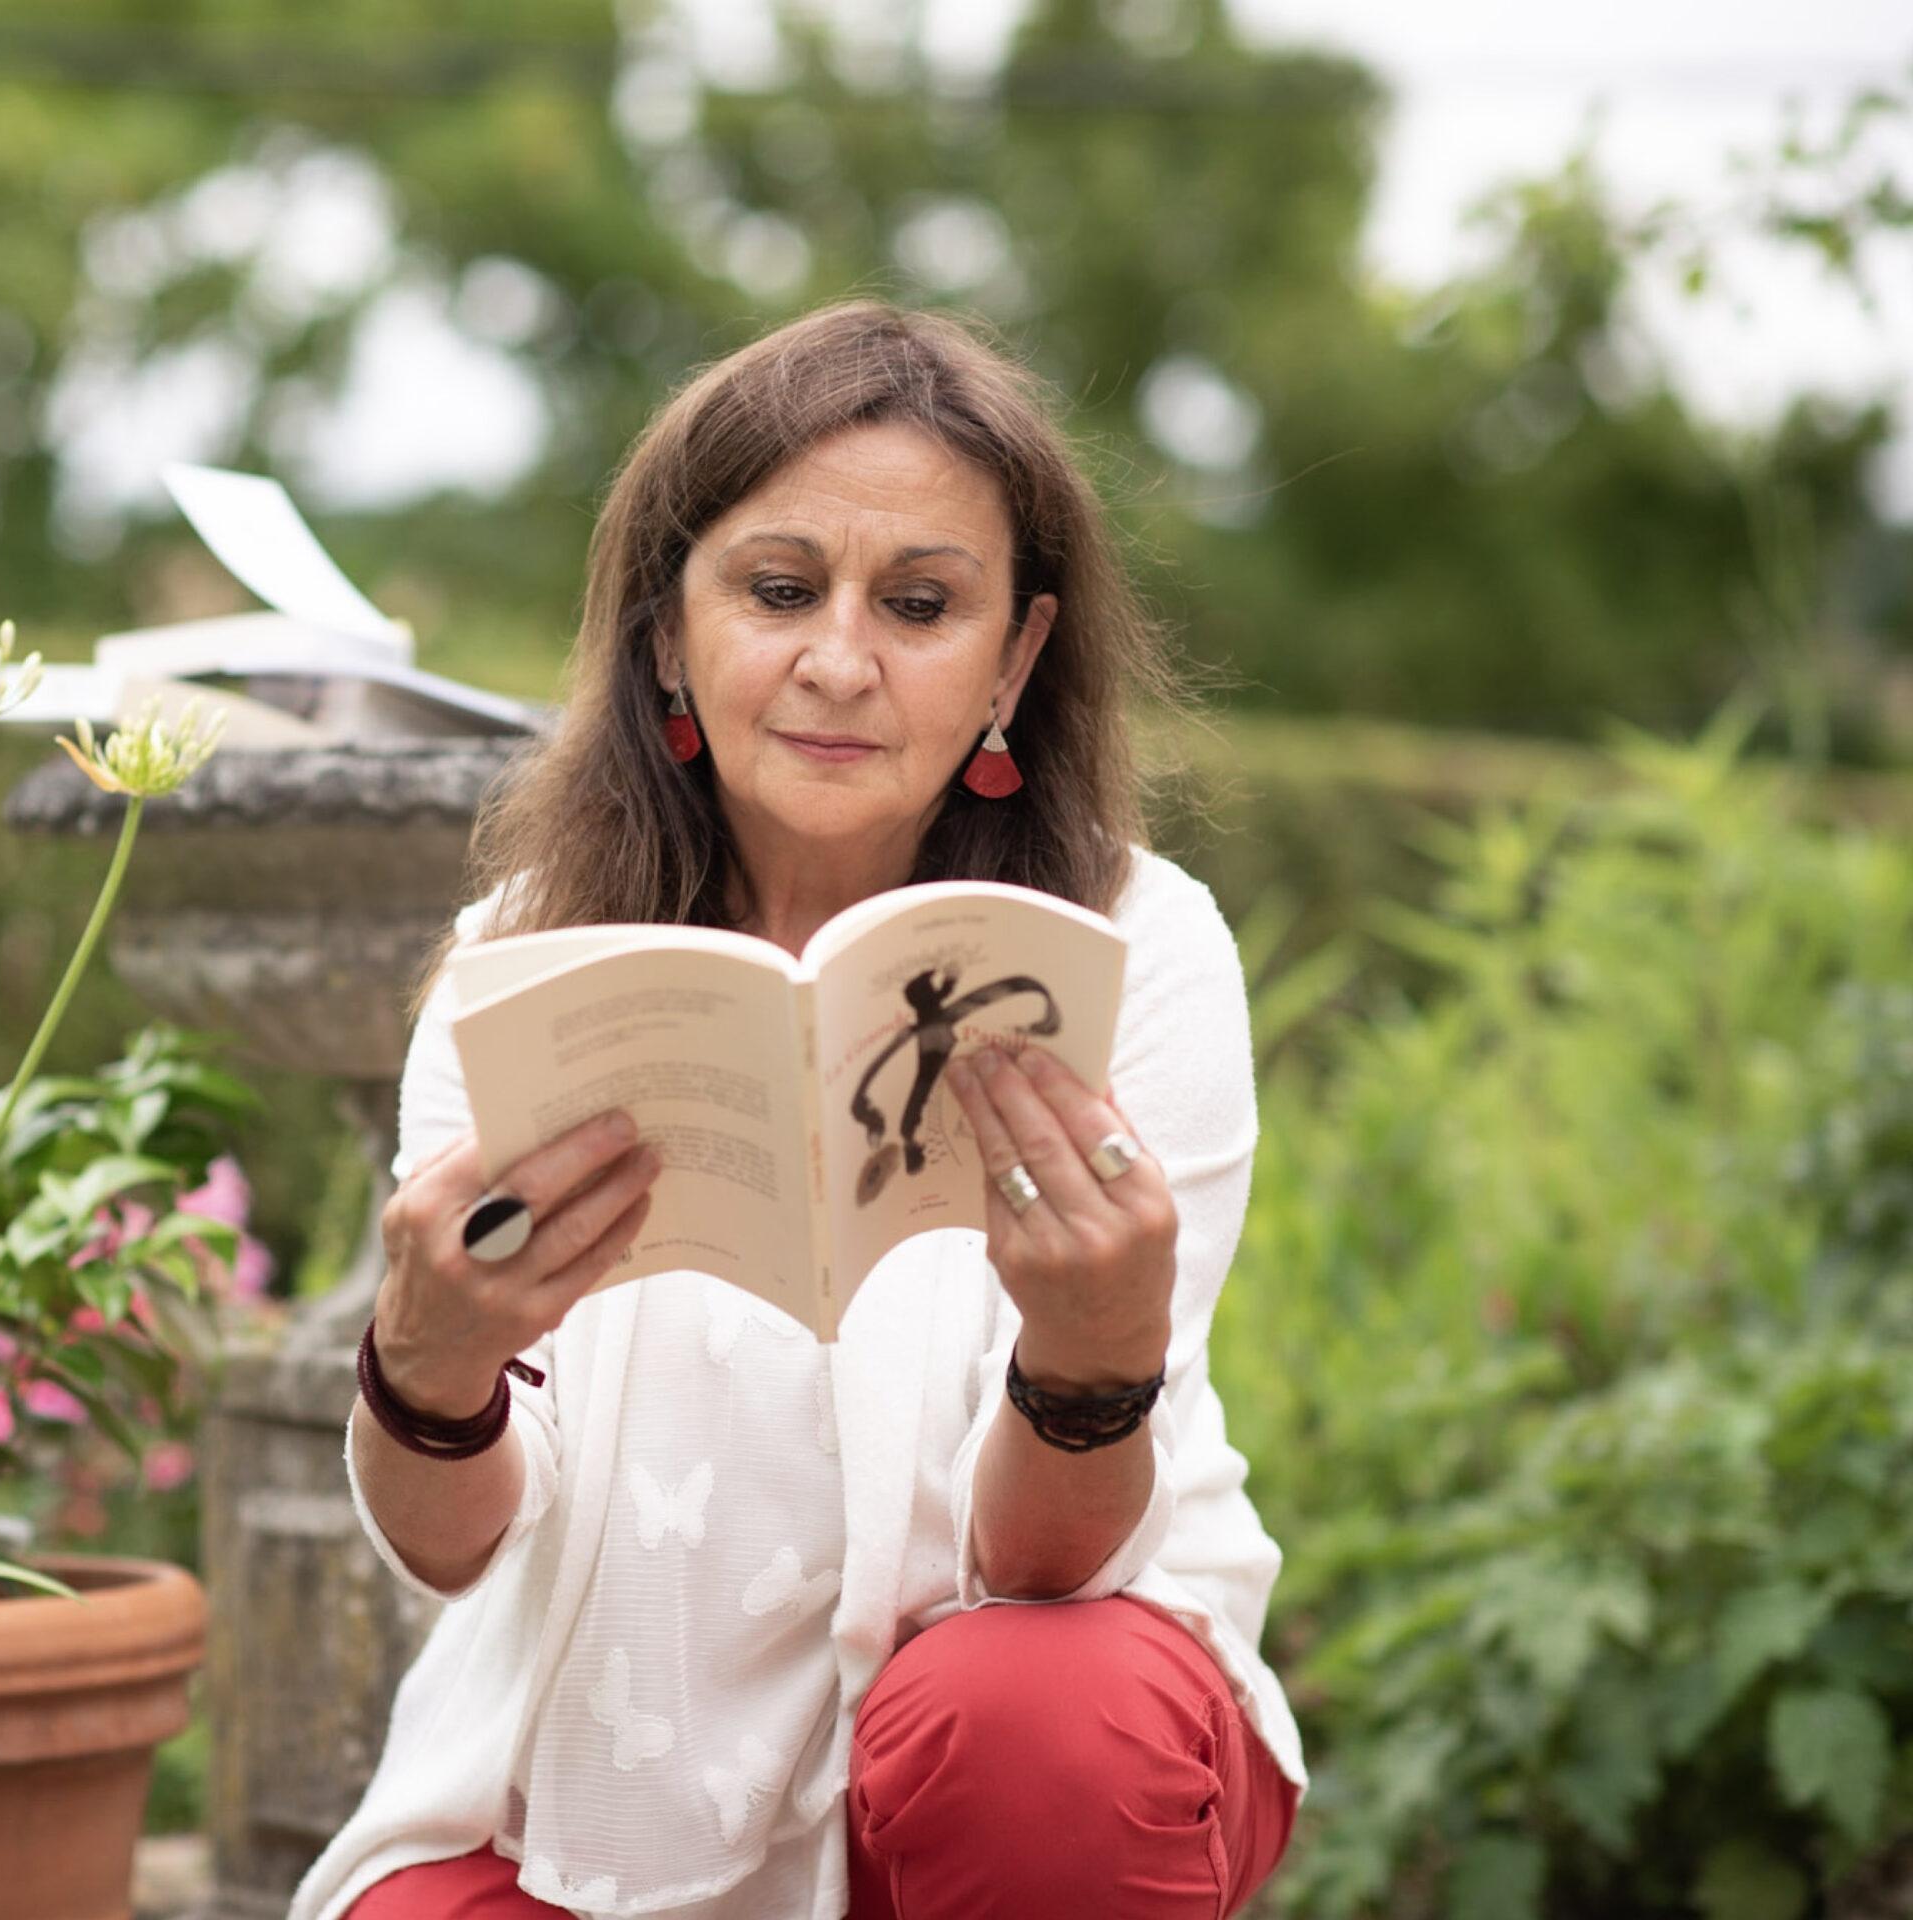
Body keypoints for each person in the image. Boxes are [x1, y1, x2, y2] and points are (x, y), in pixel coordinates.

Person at [293, 302, 1302, 1920]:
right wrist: (429, 1363)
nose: (840, 660)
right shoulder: (517, 965)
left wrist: (1095, 1362)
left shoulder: (1137, 949)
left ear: (1014, 659)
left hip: (1038, 1747)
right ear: (666, 628)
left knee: (1028, 1726)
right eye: (777, 591)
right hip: (604, 1774)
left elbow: (1045, 1576)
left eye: (919, 605)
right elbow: (459, 1551)